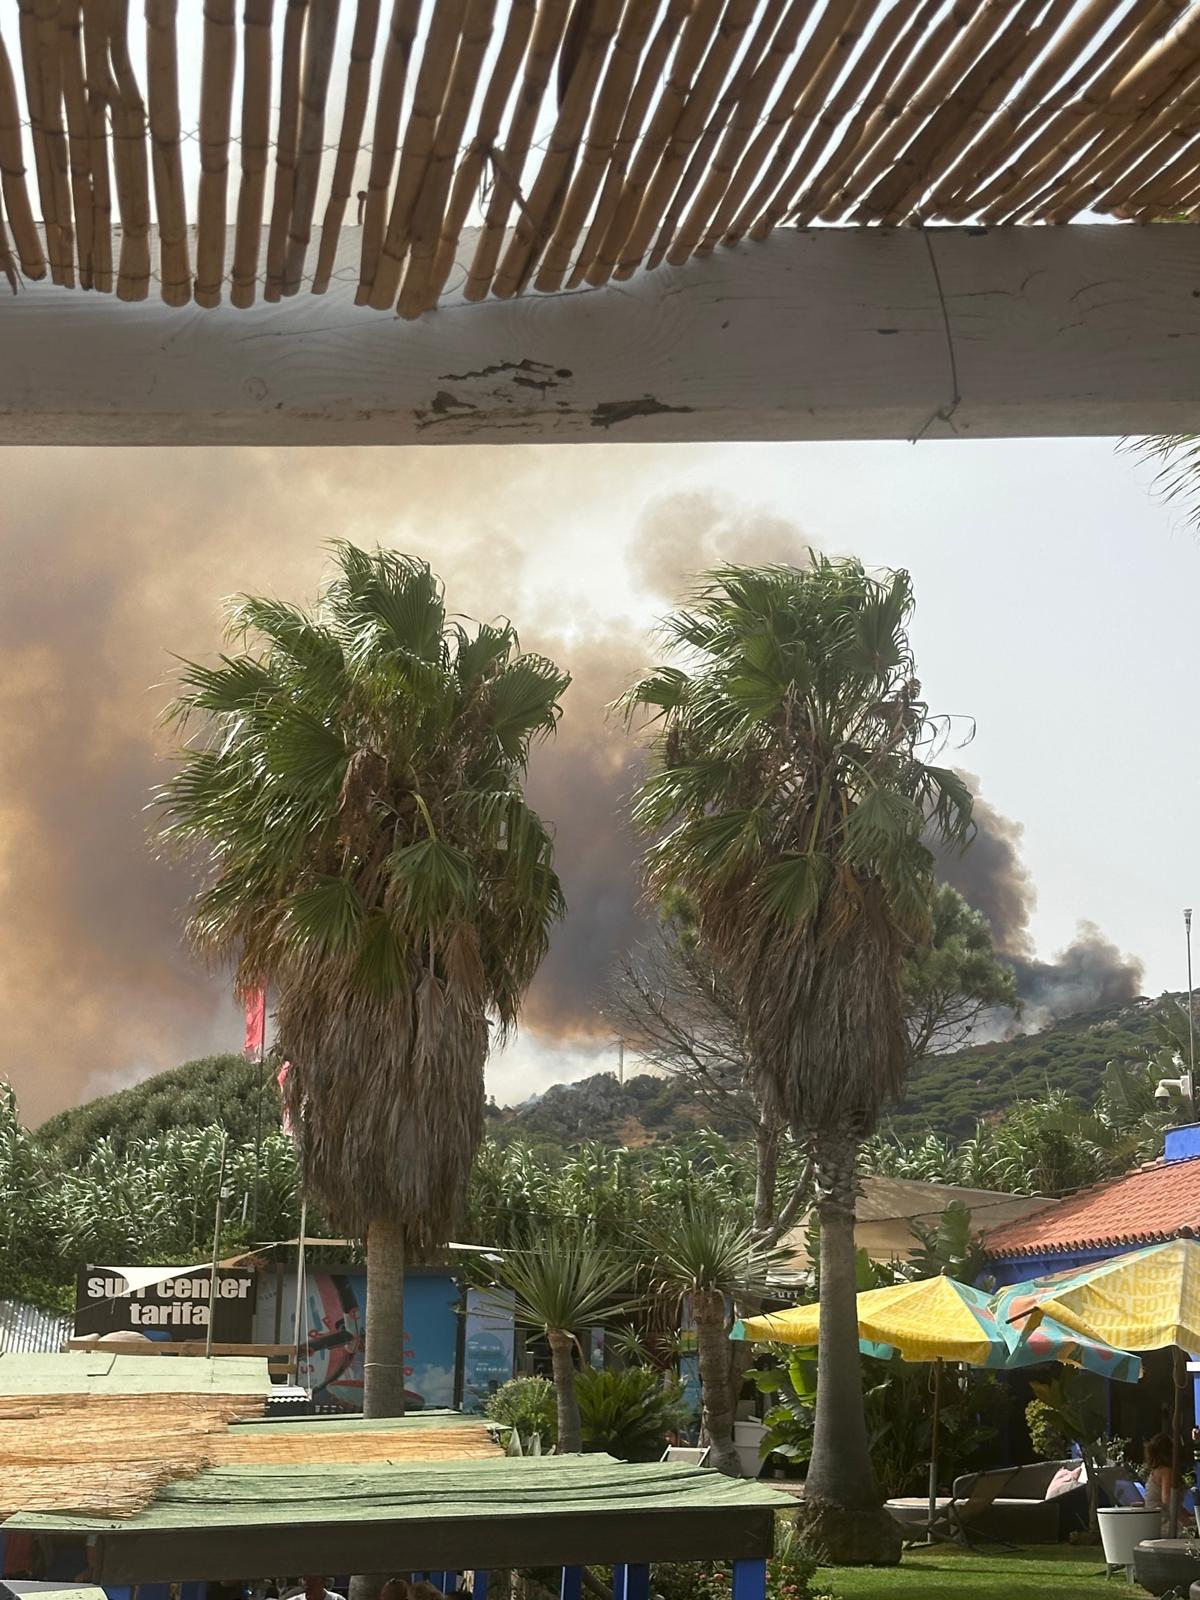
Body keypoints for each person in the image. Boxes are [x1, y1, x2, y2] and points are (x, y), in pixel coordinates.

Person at [1143, 1433, 1176, 1530]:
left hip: (1153, 1521)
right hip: (1162, 1522)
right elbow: (1168, 1501)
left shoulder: (1156, 1471)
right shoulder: (1166, 1471)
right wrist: (1186, 1519)